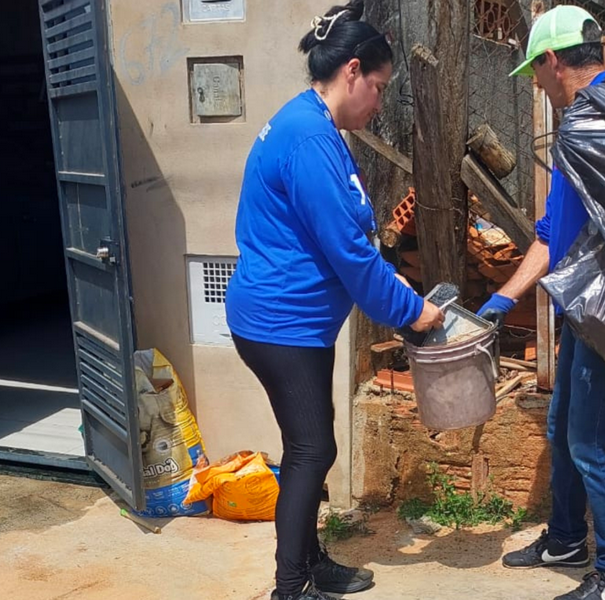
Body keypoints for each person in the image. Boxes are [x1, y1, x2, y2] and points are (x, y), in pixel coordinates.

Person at [225, 2, 444, 599]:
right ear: (352, 71)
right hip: (280, 323)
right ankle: (291, 586)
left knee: (311, 445)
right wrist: (412, 312)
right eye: (379, 87)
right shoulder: (308, 139)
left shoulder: (316, 127)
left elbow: (350, 238)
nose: (379, 102)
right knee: (312, 448)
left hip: (295, 321)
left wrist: (395, 288)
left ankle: (310, 561)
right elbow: (348, 252)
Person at [477, 6, 605, 600]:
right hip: (588, 306)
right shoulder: (604, 115)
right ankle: (565, 539)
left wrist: (507, 297)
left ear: (552, 61)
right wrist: (503, 297)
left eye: (535, 70)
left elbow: (591, 229)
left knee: (590, 439)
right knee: (562, 426)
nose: (536, 83)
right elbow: (555, 230)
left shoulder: (603, 117)